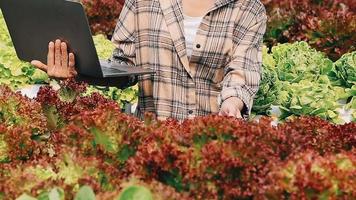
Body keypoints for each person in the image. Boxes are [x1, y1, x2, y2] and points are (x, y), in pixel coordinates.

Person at [32, 0, 267, 121]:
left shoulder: (247, 9)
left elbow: (241, 72)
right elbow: (123, 66)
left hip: (212, 144)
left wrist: (232, 104)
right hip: (152, 138)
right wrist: (78, 72)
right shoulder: (142, 2)